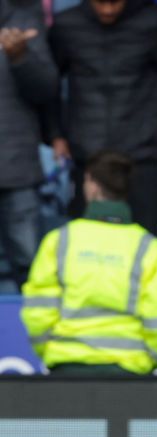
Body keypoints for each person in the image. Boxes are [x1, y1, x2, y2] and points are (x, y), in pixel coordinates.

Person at [21, 151, 157, 375]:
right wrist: (147, 360)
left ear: (93, 186)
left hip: (67, 366)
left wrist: (48, 349)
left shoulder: (59, 241)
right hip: (129, 370)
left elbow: (38, 309)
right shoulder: (150, 249)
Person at [49, 0, 157, 237]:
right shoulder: (67, 25)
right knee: (87, 244)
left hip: (142, 156)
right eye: (101, 2)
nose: (108, 9)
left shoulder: (154, 22)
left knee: (144, 241)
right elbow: (48, 83)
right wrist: (55, 134)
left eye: (115, 2)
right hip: (89, 155)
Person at [0, 0, 58, 290]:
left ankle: (34, 334)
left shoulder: (23, 19)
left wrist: (20, 57)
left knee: (30, 267)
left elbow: (47, 89)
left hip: (16, 169)